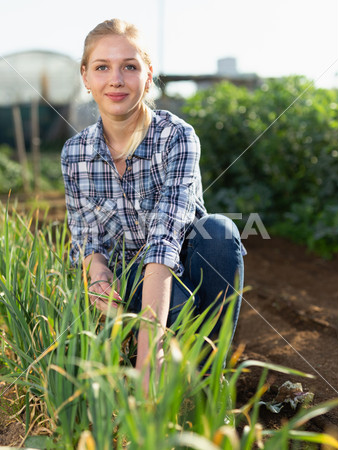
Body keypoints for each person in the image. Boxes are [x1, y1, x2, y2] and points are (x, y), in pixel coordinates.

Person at [61, 18, 246, 391]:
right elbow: (86, 240)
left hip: (182, 258)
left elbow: (164, 241)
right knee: (180, 310)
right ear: (85, 77)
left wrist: (150, 353)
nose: (116, 79)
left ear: (148, 77)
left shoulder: (176, 137)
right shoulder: (75, 152)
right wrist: (97, 276)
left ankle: (211, 378)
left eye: (130, 66)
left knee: (220, 232)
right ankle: (172, 358)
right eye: (102, 67)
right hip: (127, 270)